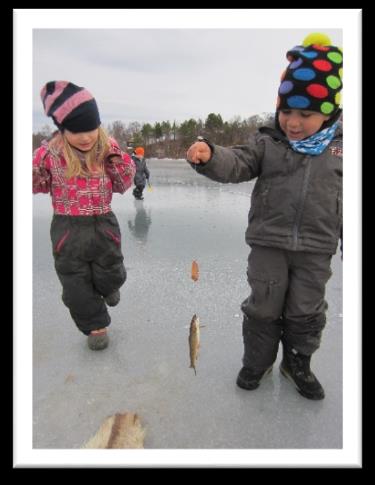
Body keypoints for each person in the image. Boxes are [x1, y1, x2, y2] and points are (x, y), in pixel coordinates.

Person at [186, 33, 343, 400]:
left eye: (305, 114)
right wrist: (210, 155)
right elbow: (238, 162)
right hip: (268, 243)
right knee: (263, 307)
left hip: (317, 247)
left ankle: (297, 363)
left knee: (306, 310)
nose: (292, 121)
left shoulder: (343, 150)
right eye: (287, 111)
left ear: (330, 111)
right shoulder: (267, 142)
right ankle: (257, 361)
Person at [33, 81, 136, 350]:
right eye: (77, 131)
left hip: (103, 225)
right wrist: (36, 172)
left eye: (91, 128)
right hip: (67, 229)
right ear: (62, 129)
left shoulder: (107, 147)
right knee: (74, 285)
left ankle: (109, 286)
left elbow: (125, 183)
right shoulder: (49, 154)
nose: (86, 136)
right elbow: (35, 184)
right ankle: (95, 326)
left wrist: (119, 161)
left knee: (111, 272)